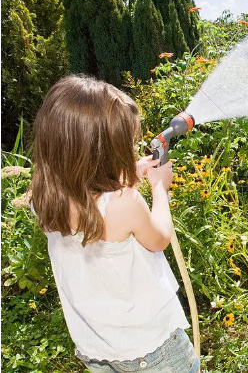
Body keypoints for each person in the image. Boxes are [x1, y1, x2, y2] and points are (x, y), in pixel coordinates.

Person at [30, 75, 200, 372]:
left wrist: (133, 171)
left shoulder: (44, 199)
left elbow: (88, 189)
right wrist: (161, 187)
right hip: (153, 350)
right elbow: (159, 238)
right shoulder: (125, 203)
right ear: (103, 154)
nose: (132, 150)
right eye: (126, 145)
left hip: (99, 349)